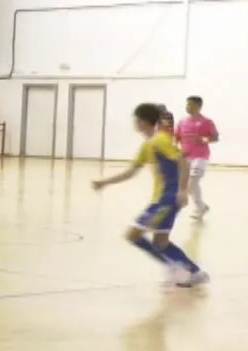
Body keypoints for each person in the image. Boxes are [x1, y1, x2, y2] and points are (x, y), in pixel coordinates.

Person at [91, 103, 207, 287]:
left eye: (136, 119)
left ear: (142, 121)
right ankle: (187, 269)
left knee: (135, 234)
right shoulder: (148, 145)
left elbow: (183, 161)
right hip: (161, 200)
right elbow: (130, 172)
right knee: (159, 240)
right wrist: (103, 183)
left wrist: (183, 190)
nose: (134, 123)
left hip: (167, 199)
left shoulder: (160, 140)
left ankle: (186, 269)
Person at [174, 96, 218, 220]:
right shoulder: (182, 121)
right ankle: (201, 206)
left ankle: (199, 207)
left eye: (190, 104)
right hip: (185, 157)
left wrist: (203, 139)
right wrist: (176, 149)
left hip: (201, 156)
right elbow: (176, 137)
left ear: (198, 106)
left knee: (192, 183)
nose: (187, 107)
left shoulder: (207, 122)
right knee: (192, 184)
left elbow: (215, 138)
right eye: (186, 104)